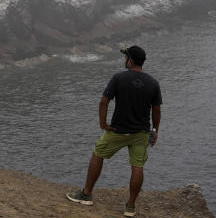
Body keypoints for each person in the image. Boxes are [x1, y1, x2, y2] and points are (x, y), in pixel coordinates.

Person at [66, 46, 162, 217]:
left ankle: (86, 194)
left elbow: (104, 102)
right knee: (138, 166)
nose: (124, 60)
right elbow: (156, 111)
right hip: (141, 133)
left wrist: (103, 124)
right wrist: (154, 131)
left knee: (98, 153)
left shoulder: (119, 78)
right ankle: (130, 207)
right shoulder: (153, 83)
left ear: (130, 60)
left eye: (125, 57)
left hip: (118, 130)